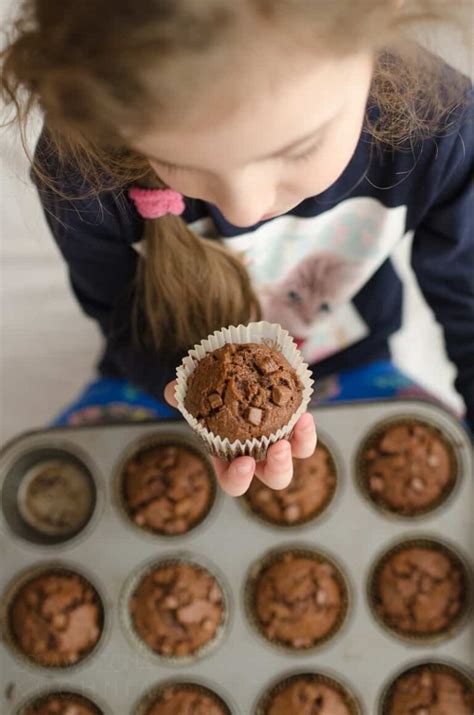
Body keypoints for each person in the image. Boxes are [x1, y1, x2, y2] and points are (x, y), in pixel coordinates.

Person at [1, 1, 472, 496]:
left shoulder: (440, 124)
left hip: (353, 362)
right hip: (155, 379)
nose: (244, 211)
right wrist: (189, 398)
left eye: (298, 148)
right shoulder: (81, 164)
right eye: (174, 162)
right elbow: (117, 315)